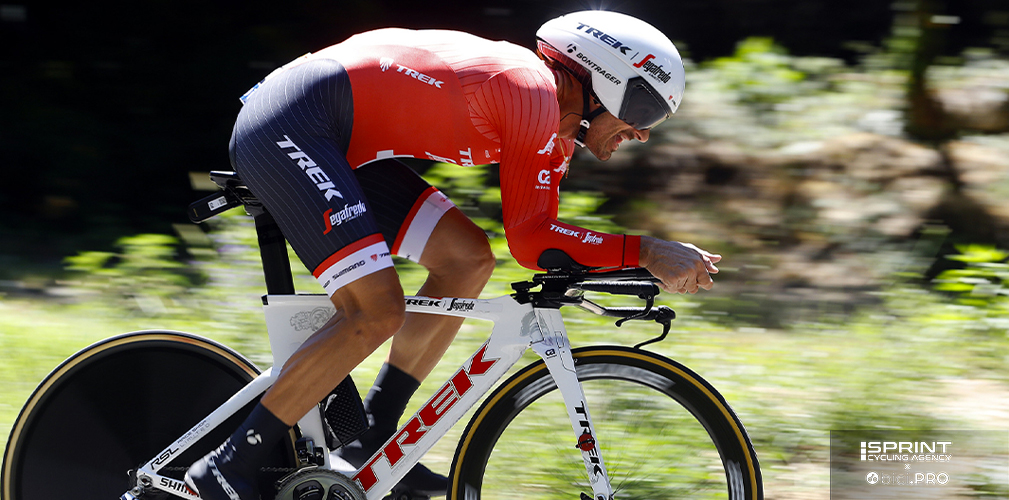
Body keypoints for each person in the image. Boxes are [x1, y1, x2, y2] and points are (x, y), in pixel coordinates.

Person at [185, 9, 721, 500]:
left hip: (342, 144)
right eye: (644, 107)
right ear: (598, 79)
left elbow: (544, 239)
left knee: (467, 259)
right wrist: (647, 251)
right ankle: (226, 467)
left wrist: (639, 258)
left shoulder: (552, 126)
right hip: (291, 125)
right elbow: (534, 242)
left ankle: (367, 442)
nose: (645, 133)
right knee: (376, 311)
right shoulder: (529, 90)